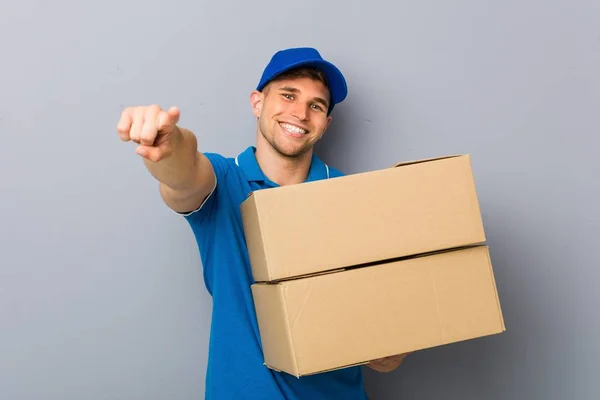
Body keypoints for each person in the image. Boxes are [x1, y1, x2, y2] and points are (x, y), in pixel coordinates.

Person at [117, 47, 408, 399]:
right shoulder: (224, 181)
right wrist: (167, 145)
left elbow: (384, 322)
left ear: (325, 124)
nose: (300, 113)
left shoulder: (352, 196)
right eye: (288, 95)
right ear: (258, 103)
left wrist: (390, 349)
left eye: (316, 105)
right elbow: (183, 173)